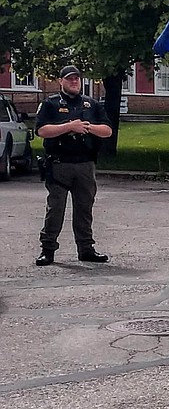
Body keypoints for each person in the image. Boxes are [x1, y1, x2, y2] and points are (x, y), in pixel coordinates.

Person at [34, 65, 113, 265]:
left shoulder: (91, 104)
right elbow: (42, 130)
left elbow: (107, 130)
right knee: (55, 209)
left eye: (77, 79)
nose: (74, 82)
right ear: (61, 81)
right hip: (60, 164)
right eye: (69, 79)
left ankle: (86, 249)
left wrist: (87, 127)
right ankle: (48, 249)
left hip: (85, 164)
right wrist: (69, 126)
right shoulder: (50, 104)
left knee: (85, 209)